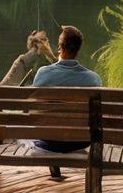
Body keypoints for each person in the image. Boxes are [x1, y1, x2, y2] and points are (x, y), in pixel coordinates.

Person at [33, 25, 101, 179]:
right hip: (81, 141)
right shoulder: (94, 79)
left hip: (49, 141)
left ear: (60, 47)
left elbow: (35, 109)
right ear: (78, 49)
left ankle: (54, 167)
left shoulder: (43, 74)